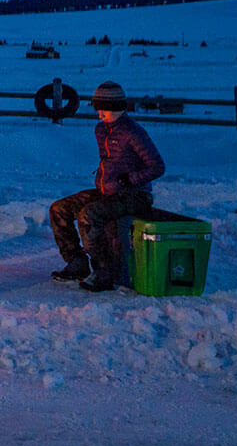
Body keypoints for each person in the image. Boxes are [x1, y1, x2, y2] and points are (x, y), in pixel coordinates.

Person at [49, 81, 165, 293]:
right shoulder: (101, 130)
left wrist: (130, 180)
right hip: (108, 192)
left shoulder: (134, 133)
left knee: (89, 215)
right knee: (59, 209)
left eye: (104, 110)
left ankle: (104, 271)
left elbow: (157, 166)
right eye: (98, 109)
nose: (100, 114)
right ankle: (77, 262)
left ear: (118, 108)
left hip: (135, 195)